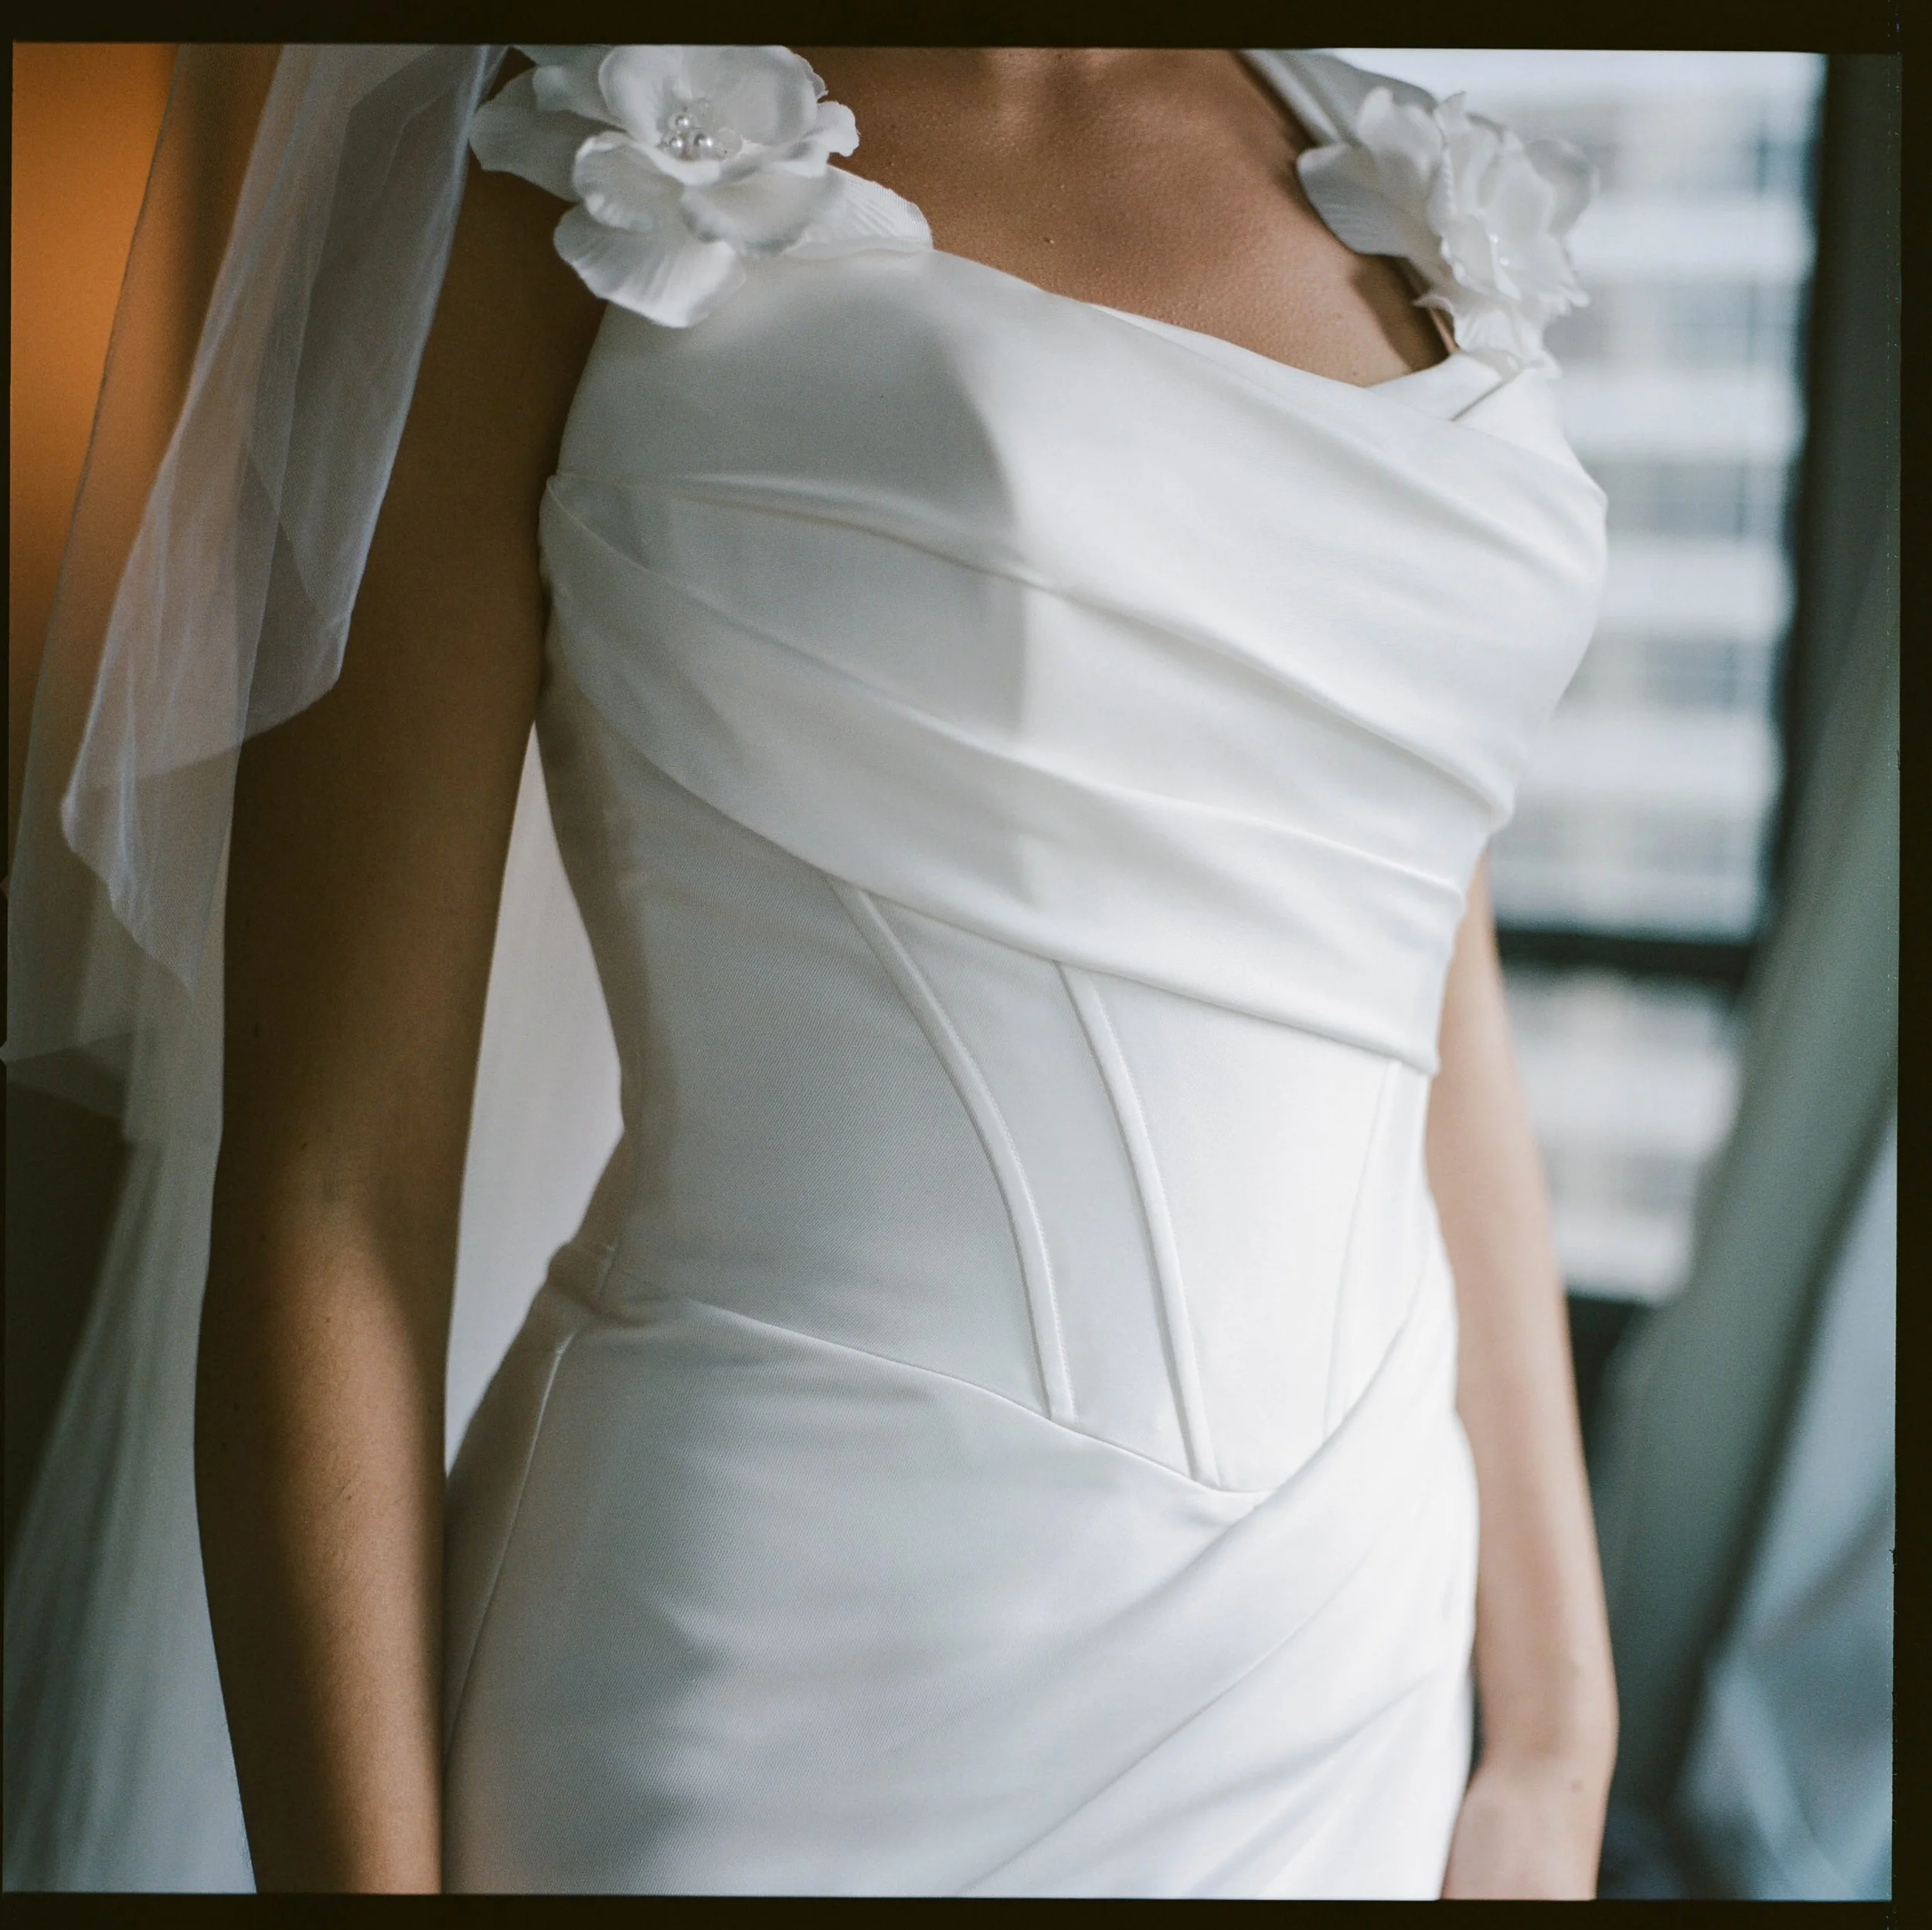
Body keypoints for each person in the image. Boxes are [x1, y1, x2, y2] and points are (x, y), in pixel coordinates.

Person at [8, 46, 1617, 1897]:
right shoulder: (567, 146)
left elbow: (1417, 986)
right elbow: (331, 1184)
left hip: (1348, 1677)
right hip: (776, 1670)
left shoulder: (1396, 176)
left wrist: (1555, 1730)